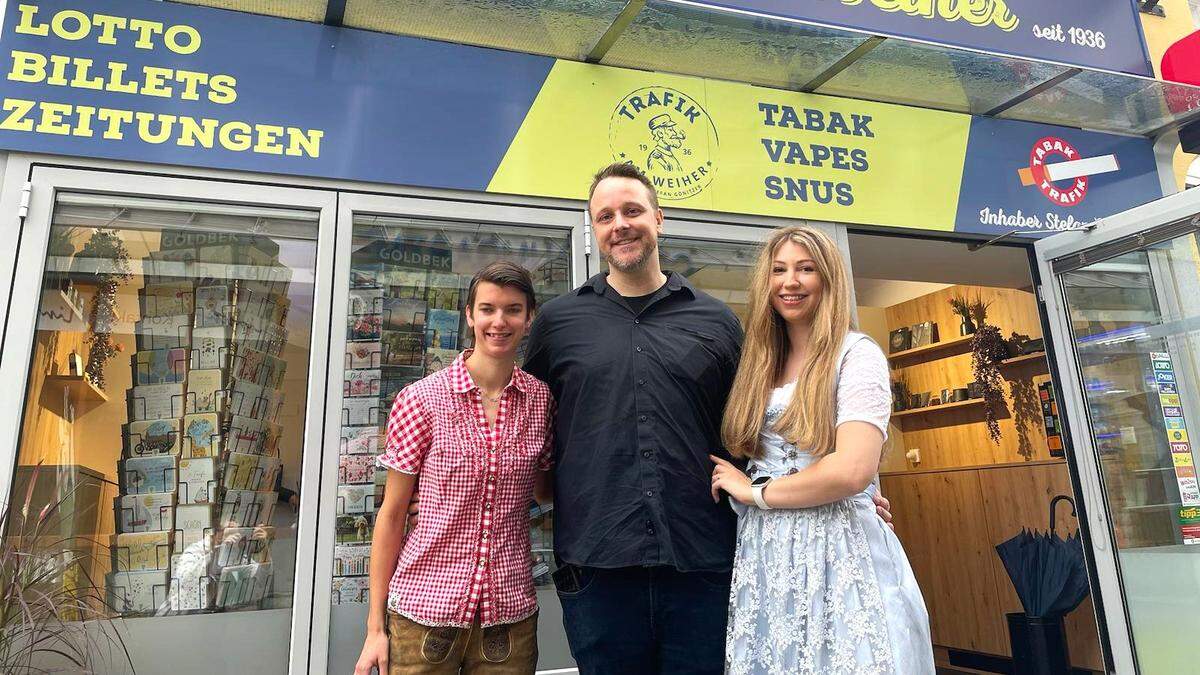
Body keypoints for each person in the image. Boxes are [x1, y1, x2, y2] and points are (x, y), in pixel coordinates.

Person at [521, 163, 893, 674]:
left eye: (633, 210)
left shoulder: (717, 321)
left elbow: (757, 429)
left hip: (703, 559)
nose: (620, 224)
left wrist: (855, 487)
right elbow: (525, 421)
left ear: (659, 218)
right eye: (605, 216)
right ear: (594, 230)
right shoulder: (558, 324)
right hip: (597, 560)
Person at [710, 226, 934, 674]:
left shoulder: (856, 354)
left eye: (805, 269)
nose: (789, 282)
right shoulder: (758, 362)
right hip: (770, 553)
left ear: (829, 279)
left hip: (839, 545)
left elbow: (851, 470)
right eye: (779, 270)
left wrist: (753, 492)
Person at [354, 261, 554, 675]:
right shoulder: (421, 399)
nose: (499, 321)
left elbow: (546, 493)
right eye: (488, 309)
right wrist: (375, 628)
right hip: (424, 612)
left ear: (529, 316)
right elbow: (391, 515)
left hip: (509, 616)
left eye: (513, 309)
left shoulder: (540, 401)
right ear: (469, 314)